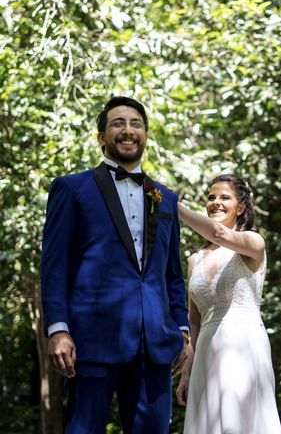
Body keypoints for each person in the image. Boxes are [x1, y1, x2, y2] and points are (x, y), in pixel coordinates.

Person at [40, 96, 190, 433]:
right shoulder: (72, 189)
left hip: (155, 346)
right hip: (90, 341)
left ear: (146, 135)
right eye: (118, 124)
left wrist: (182, 330)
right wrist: (58, 329)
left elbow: (172, 274)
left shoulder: (165, 197)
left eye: (136, 124)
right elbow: (54, 266)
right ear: (101, 137)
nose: (128, 131)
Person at [176, 174, 281, 434]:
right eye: (211, 197)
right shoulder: (194, 260)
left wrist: (173, 205)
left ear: (241, 207)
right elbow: (194, 321)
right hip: (206, 353)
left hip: (243, 345)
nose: (215, 203)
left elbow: (219, 234)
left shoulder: (253, 243)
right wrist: (186, 372)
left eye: (225, 197)